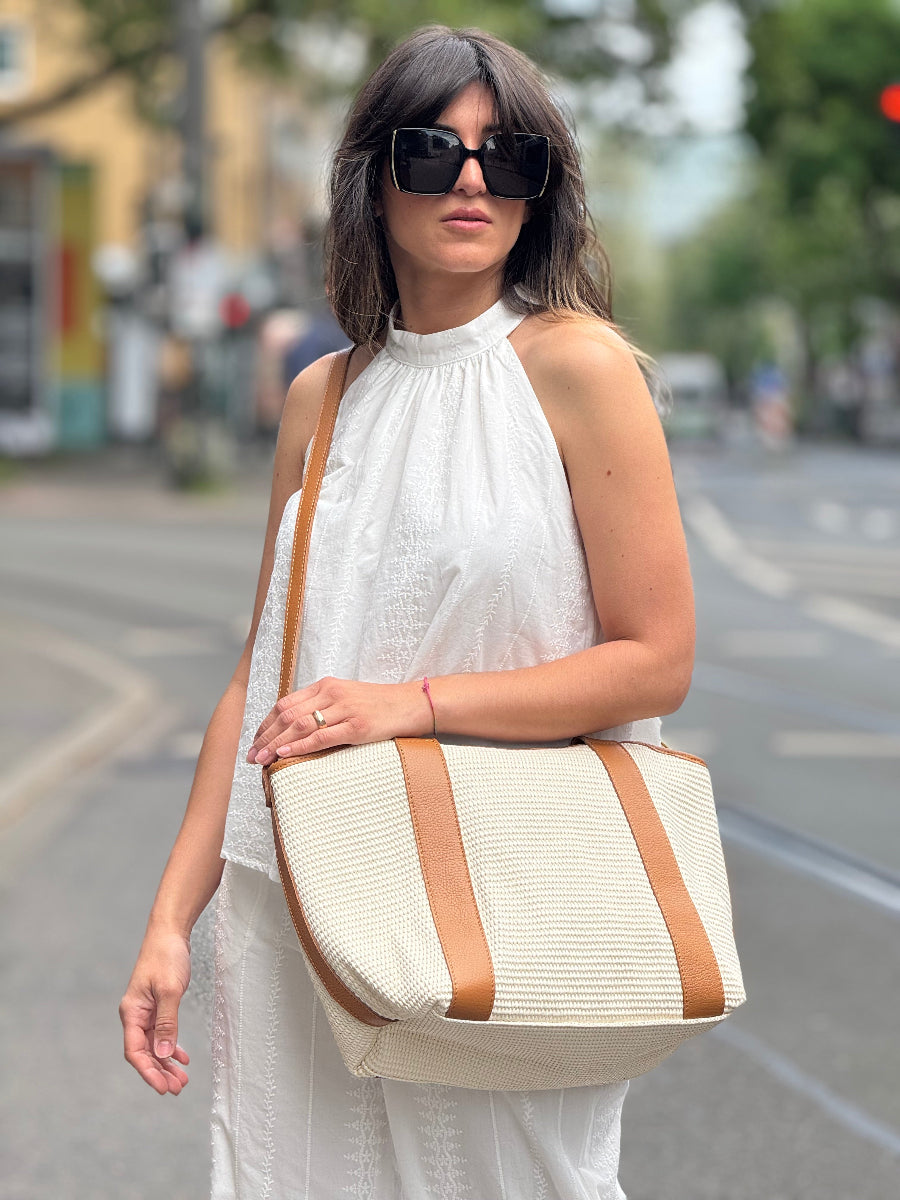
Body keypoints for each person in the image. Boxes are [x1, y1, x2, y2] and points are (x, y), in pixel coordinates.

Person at [119, 23, 695, 1200]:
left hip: (507, 899)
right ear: (373, 180)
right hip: (306, 905)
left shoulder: (579, 370)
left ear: (541, 189)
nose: (473, 180)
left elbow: (656, 661)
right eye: (434, 151)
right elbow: (261, 673)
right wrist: (173, 920)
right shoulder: (320, 400)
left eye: (508, 155)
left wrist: (409, 706)